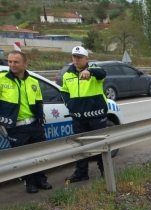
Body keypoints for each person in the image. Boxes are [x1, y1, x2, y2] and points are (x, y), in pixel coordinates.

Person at [0, 50, 52, 194]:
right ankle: (29, 183)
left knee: (39, 155)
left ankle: (41, 180)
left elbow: (39, 103)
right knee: (23, 158)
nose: (12, 64)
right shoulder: (2, 80)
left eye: (16, 62)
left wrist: (41, 121)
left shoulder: (33, 82)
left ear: (25, 64)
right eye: (10, 61)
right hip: (16, 127)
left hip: (35, 125)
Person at [61, 46, 108, 183]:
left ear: (87, 59)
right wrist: (69, 104)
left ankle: (105, 170)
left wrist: (89, 71)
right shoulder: (67, 75)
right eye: (74, 57)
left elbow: (102, 74)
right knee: (80, 146)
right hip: (78, 118)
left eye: (79, 57)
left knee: (100, 145)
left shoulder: (95, 70)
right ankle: (81, 173)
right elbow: (64, 91)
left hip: (96, 117)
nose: (76, 59)